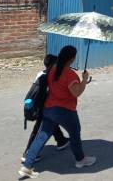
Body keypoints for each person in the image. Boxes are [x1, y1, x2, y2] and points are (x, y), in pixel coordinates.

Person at [19, 45, 96, 179]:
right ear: (72, 59)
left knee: (41, 137)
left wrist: (81, 82)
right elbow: (76, 92)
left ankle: (27, 166)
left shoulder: (53, 69)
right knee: (75, 133)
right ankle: (80, 160)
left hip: (48, 108)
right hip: (65, 110)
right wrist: (84, 80)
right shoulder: (70, 74)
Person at [21, 54, 70, 163]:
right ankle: (28, 153)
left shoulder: (40, 74)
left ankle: (61, 140)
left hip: (38, 106)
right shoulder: (51, 77)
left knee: (51, 123)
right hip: (42, 109)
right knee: (39, 129)